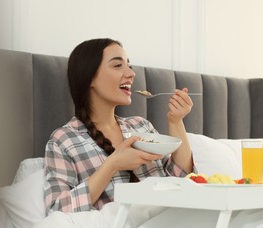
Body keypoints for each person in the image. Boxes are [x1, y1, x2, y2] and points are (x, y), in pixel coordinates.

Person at [43, 38, 195, 214]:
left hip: (170, 224)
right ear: (90, 77)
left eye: (129, 65)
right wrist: (113, 164)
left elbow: (183, 180)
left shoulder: (141, 126)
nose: (131, 73)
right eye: (117, 65)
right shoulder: (64, 141)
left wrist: (176, 121)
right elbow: (57, 212)